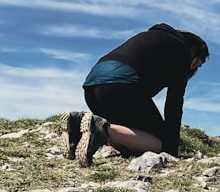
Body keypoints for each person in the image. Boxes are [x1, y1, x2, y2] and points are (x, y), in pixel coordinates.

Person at [61, 23, 209, 166]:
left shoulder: (151, 37)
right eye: (197, 63)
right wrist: (171, 145)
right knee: (160, 143)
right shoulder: (182, 51)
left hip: (92, 87)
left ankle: (77, 130)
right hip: (121, 86)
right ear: (194, 50)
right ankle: (100, 130)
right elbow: (174, 103)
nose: (193, 67)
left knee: (132, 137)